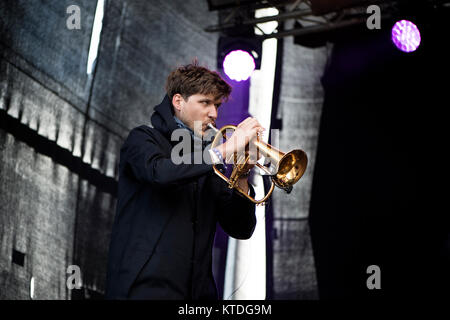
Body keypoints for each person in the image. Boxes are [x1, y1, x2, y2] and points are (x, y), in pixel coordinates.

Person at [105, 62, 264, 300]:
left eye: (217, 105)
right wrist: (227, 148)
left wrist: (242, 174)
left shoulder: (210, 160)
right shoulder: (143, 138)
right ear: (178, 102)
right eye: (205, 102)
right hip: (143, 289)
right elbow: (161, 173)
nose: (214, 113)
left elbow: (240, 228)